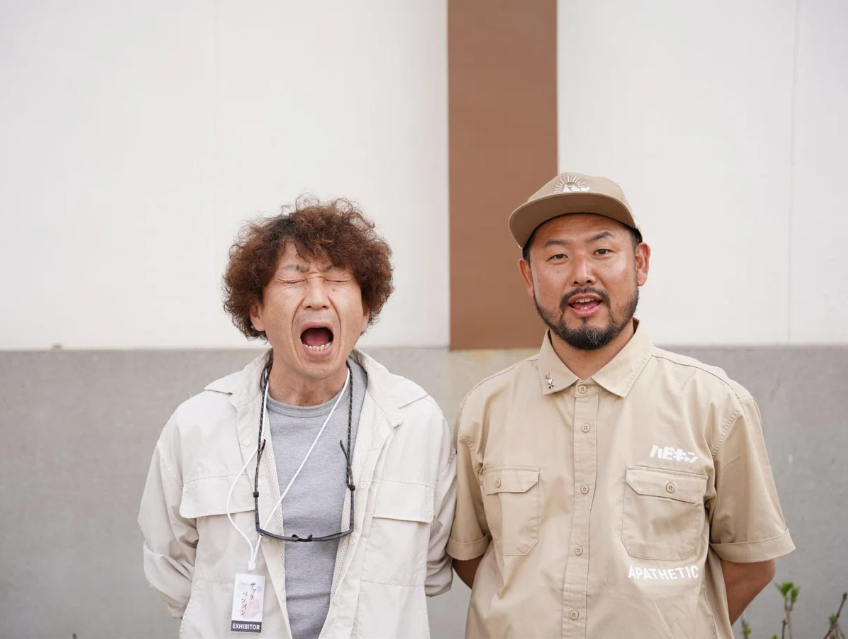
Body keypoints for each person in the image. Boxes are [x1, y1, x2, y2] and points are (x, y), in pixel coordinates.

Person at [448, 172, 794, 639]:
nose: (581, 273)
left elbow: (751, 565)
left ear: (640, 263)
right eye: (557, 256)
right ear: (529, 277)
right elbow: (472, 558)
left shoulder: (714, 405)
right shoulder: (484, 410)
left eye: (602, 251)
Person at [139, 198, 456, 638]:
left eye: (337, 279)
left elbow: (431, 566)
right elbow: (169, 563)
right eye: (293, 279)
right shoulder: (198, 424)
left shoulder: (416, 421)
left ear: (365, 310)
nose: (317, 297)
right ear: (256, 311)